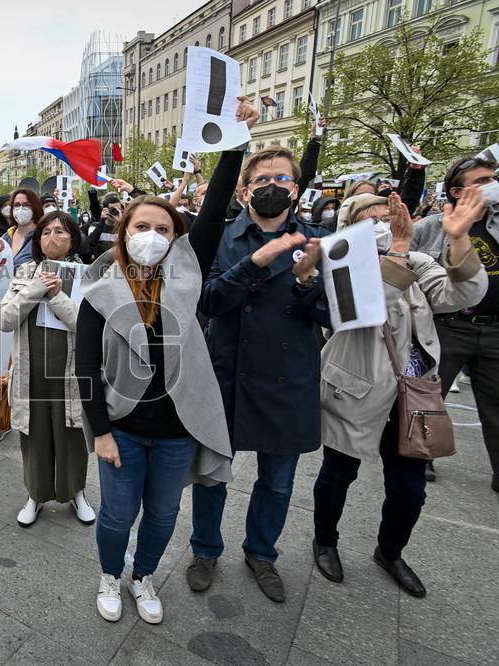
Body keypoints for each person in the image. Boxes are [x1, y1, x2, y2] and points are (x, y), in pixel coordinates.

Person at [76, 97, 257, 625]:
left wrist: (234, 145)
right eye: (140, 227)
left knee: (162, 514)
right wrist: (101, 431)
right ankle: (112, 574)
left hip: (179, 430)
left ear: (176, 239)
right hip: (123, 429)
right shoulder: (98, 291)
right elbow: (85, 367)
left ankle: (142, 575)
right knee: (115, 514)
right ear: (123, 234)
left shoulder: (185, 279)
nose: (150, 236)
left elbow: (220, 200)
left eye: (162, 228)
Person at [313, 191, 487, 597]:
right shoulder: (340, 257)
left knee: (409, 488)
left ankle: (390, 551)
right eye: (371, 215)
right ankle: (325, 541)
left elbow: (462, 296)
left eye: (389, 214)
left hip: (413, 392)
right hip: (356, 387)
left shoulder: (420, 261)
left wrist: (459, 240)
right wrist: (399, 250)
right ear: (352, 223)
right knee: (339, 474)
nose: (384, 221)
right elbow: (366, 310)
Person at [189, 145, 330, 604]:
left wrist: (308, 281)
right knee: (213, 473)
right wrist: (257, 263)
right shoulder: (221, 236)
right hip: (227, 372)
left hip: (288, 377)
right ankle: (205, 549)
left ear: (297, 187)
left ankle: (261, 553)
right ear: (245, 189)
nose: (272, 186)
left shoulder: (320, 239)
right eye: (263, 179)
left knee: (278, 480)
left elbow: (334, 313)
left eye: (282, 179)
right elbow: (207, 302)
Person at [412, 156, 499, 494]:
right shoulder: (431, 227)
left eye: (494, 179)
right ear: (456, 191)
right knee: (427, 394)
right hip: (448, 326)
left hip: (498, 328)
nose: (492, 185)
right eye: (481, 181)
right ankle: (420, 456)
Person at [0, 211, 95, 527]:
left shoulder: (87, 275)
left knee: (72, 435)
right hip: (31, 372)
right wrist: (35, 288)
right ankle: (36, 495)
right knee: (35, 437)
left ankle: (76, 491)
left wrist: (57, 296)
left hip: (71, 373)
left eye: (61, 230)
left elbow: (90, 327)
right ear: (38, 239)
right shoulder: (24, 272)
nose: (53, 236)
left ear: (74, 238)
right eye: (47, 231)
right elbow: (5, 320)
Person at [4, 189, 44, 272]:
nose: (21, 209)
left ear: (35, 207)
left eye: (26, 205)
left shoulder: (43, 237)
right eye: (17, 205)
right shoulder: (5, 238)